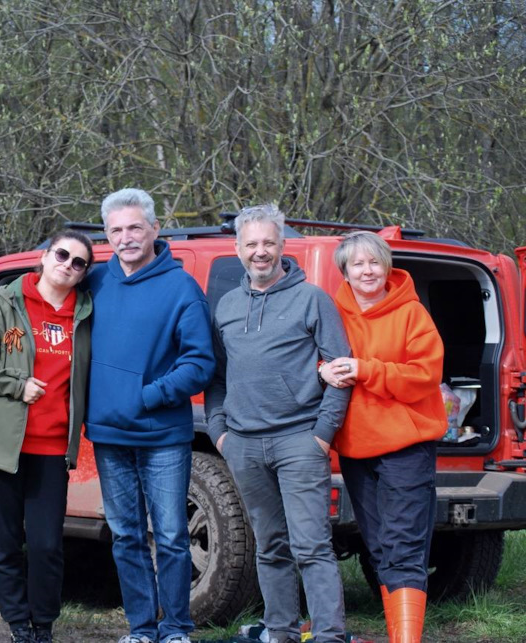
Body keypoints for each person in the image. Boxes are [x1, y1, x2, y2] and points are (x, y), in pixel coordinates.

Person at [204, 204, 351, 643]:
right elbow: (216, 377)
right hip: (244, 446)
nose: (260, 251)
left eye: (269, 242)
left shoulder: (312, 300)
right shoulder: (227, 306)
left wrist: (322, 436)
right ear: (238, 249)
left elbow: (341, 373)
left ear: (283, 246)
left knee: (312, 547)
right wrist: (220, 433)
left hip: (298, 442)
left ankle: (328, 635)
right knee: (270, 547)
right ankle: (280, 632)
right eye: (251, 244)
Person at [0, 230, 94, 643]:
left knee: (47, 544)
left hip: (51, 449)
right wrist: (14, 383)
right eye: (62, 255)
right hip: (1, 447)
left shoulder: (84, 314)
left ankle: (43, 624)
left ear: (83, 274)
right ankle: (17, 625)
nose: (67, 264)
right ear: (46, 257)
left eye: (78, 262)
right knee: (6, 541)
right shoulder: (6, 302)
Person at [85, 188, 215, 643]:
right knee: (126, 536)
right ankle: (141, 628)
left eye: (135, 227)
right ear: (106, 235)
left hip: (162, 435)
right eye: (117, 230)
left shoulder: (182, 287)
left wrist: (148, 396)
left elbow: (200, 363)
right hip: (107, 434)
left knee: (172, 536)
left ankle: (176, 628)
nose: (126, 237)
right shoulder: (96, 282)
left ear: (155, 229)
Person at [319, 231, 446, 643]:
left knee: (404, 547)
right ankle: (398, 631)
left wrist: (366, 370)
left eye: (374, 262)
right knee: (378, 548)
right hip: (357, 449)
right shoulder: (332, 312)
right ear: (346, 272)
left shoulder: (412, 314)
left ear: (387, 267)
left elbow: (426, 376)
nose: (367, 271)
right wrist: (322, 370)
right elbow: (310, 356)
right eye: (358, 264)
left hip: (407, 447)